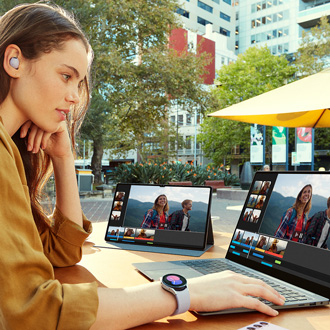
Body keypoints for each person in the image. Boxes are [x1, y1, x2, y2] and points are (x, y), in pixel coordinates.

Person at [0, 3, 285, 329]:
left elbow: (60, 252)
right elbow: (33, 311)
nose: (75, 97)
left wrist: (64, 158)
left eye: (78, 83)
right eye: (66, 76)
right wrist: (184, 293)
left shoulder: (9, 151)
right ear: (15, 60)